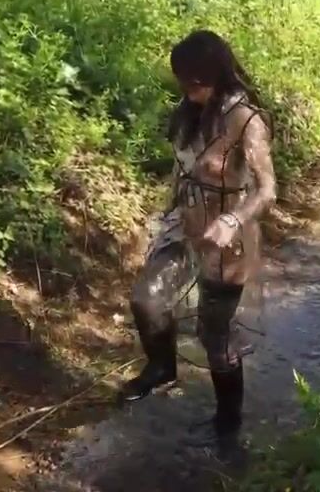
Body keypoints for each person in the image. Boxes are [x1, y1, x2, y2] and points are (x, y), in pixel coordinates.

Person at [120, 29, 277, 459]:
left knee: (215, 336)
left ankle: (228, 422)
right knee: (147, 299)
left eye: (194, 82)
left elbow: (267, 190)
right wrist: (163, 215)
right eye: (183, 82)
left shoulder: (246, 120)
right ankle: (161, 367)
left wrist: (232, 219)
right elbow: (181, 171)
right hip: (183, 227)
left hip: (228, 241)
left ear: (215, 75)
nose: (187, 91)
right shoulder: (190, 113)